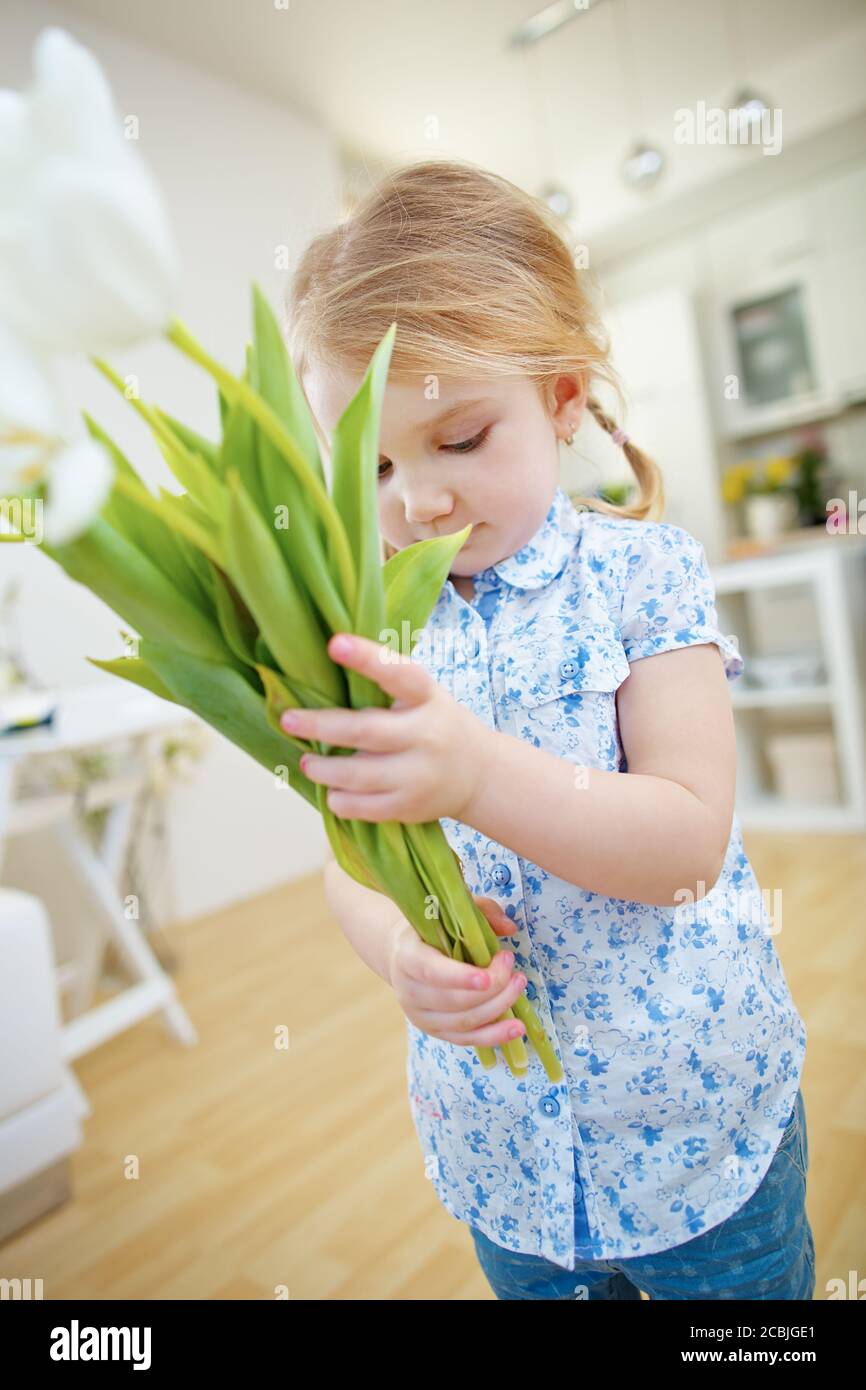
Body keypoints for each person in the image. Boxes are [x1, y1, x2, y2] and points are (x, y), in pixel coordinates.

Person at [282, 159, 813, 1300]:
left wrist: (471, 770)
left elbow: (680, 845)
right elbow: (345, 860)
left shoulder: (639, 573)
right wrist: (395, 952)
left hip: (694, 1139)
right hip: (502, 1153)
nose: (414, 499)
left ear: (561, 399)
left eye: (459, 438)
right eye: (369, 462)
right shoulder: (367, 625)